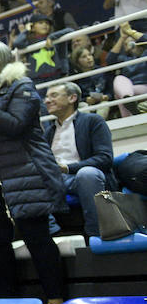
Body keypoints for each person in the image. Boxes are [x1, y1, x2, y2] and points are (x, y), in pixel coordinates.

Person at [0, 41, 67, 304]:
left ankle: (56, 298)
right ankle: (7, 302)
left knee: (36, 238)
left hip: (23, 172)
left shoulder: (21, 86)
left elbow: (15, 126)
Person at [43, 82, 115, 239]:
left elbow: (105, 158)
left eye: (53, 95)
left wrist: (67, 168)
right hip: (56, 180)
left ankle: (94, 235)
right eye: (46, 97)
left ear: (72, 98)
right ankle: (53, 233)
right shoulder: (48, 132)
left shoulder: (93, 121)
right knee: (25, 181)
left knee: (86, 174)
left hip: (81, 177)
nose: (47, 101)